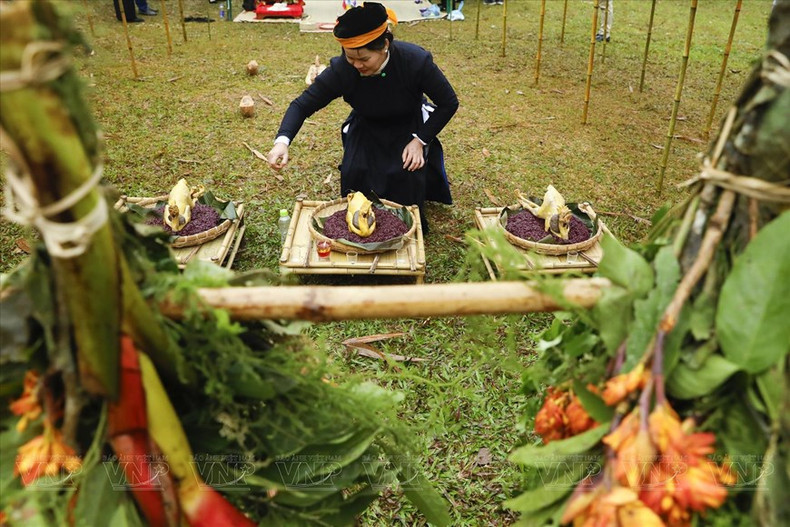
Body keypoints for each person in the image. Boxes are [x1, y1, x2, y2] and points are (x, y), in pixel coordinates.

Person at [266, 2, 459, 234]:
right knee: (355, 176)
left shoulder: (415, 61)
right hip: (366, 125)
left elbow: (449, 102)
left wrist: (420, 140)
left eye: (364, 59)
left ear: (384, 45)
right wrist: (282, 142)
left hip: (408, 127)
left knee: (403, 177)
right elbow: (302, 105)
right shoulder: (342, 69)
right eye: (350, 58)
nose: (357, 65)